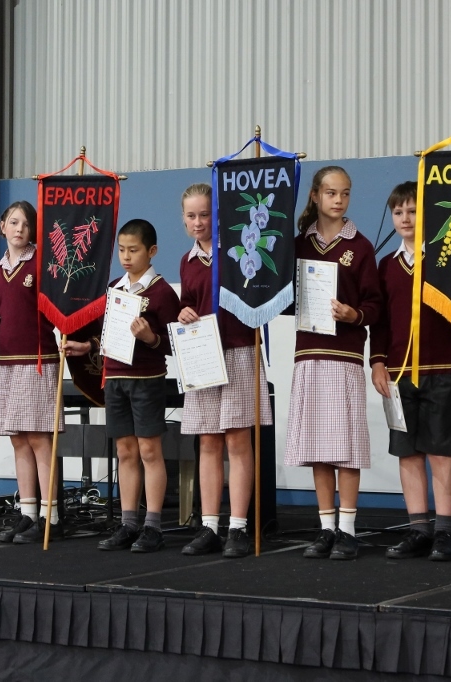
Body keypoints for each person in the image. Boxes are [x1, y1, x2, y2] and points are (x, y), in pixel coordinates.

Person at [67, 219, 180, 553]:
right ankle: (128, 523)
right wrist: (88, 347)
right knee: (125, 451)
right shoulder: (114, 287)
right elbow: (108, 335)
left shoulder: (162, 292)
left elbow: (175, 342)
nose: (126, 257)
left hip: (146, 379)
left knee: (149, 451)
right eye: (122, 250)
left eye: (134, 250)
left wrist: (150, 337)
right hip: (115, 378)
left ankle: (153, 525)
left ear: (152, 251)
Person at [371, 181, 451, 562]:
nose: (405, 218)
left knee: (441, 452)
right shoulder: (386, 266)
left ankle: (444, 531)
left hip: (441, 368)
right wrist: (377, 361)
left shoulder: (446, 256)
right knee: (407, 453)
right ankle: (418, 529)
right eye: (398, 212)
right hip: (398, 373)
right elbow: (379, 321)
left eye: (412, 211)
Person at [287, 166, 381, 560]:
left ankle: (348, 529)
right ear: (315, 195)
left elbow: (375, 304)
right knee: (318, 447)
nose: (338, 200)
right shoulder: (297, 245)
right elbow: (284, 298)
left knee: (345, 447)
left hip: (344, 355)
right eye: (330, 193)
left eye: (344, 193)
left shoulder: (360, 246)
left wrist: (353, 314)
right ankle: (326, 528)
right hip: (309, 353)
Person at [176, 183, 273, 558]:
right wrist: (184, 313)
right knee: (208, 441)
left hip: (238, 349)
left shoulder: (237, 250)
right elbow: (188, 304)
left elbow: (258, 291)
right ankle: (210, 526)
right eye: (191, 216)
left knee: (237, 440)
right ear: (183, 219)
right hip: (203, 355)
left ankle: (238, 527)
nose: (198, 222)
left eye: (204, 214)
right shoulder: (187, 262)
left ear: (217, 216)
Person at [0, 201, 64, 544]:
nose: (19, 229)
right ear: (2, 226)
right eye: (14, 222)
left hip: (38, 359)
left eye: (26, 224)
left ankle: (50, 515)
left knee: (39, 439)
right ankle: (28, 512)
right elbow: (2, 318)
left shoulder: (42, 263)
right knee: (18, 438)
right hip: (8, 362)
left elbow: (58, 309)